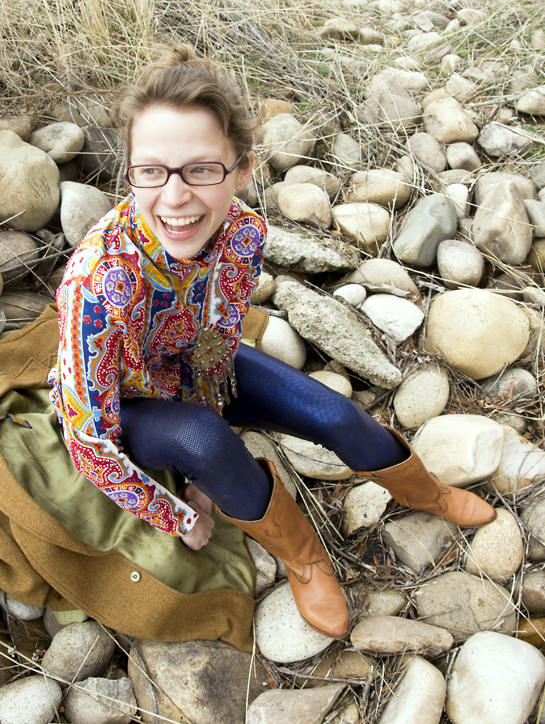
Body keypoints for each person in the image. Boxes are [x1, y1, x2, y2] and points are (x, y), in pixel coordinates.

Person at [43, 45, 496, 642]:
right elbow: (88, 439)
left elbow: (223, 328)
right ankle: (304, 558)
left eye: (201, 169)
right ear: (130, 170)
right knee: (205, 440)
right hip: (125, 405)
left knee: (334, 412)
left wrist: (211, 393)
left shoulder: (244, 230)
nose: (174, 197)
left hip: (194, 366)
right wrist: (174, 511)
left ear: (242, 169)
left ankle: (426, 491)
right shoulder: (100, 284)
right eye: (150, 170)